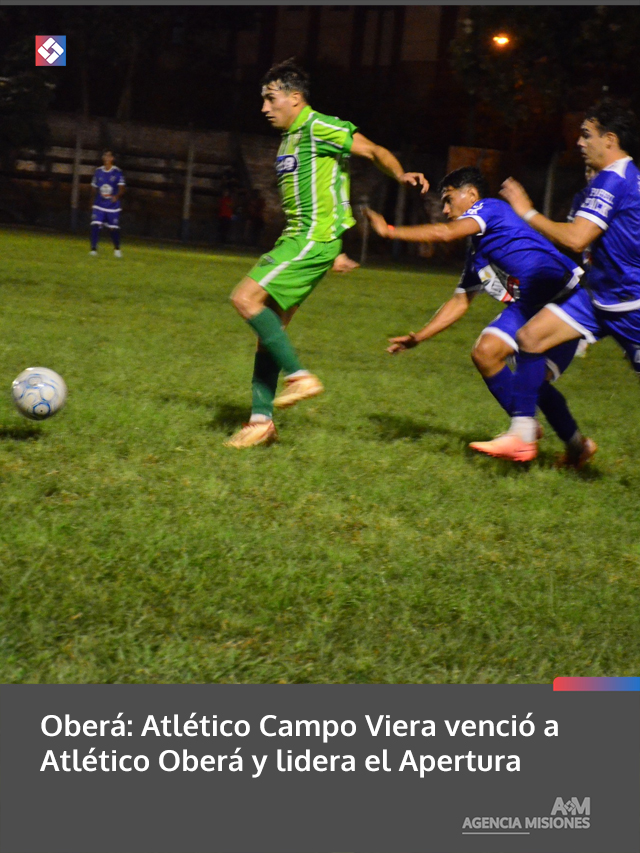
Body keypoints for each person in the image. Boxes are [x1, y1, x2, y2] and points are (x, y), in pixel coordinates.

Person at [225, 59, 428, 448]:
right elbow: (326, 190)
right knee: (270, 332)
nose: (264, 108)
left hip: (309, 239)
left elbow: (373, 150)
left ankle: (300, 376)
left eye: (271, 99)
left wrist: (400, 174)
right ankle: (260, 422)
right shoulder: (289, 138)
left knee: (244, 298)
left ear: (295, 98)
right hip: (305, 240)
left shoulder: (319, 126)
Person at [365, 166, 592, 465]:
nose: (446, 210)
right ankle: (569, 444)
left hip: (562, 296)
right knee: (507, 366)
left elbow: (443, 233)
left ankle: (526, 431)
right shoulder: (479, 252)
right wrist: (418, 337)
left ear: (471, 195)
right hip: (538, 302)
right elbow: (460, 302)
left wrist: (390, 231)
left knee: (498, 357)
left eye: (448, 200)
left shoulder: (490, 208)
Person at [474, 98, 640, 464]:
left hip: (631, 303)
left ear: (609, 139)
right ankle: (520, 437)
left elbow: (576, 238)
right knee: (530, 338)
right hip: (597, 295)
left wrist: (527, 211)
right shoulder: (610, 181)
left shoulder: (614, 179)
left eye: (586, 135)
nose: (579, 143)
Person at [89, 150, 125, 257]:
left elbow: (122, 188)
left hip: (112, 206)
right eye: (105, 155)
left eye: (108, 156)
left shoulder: (117, 172)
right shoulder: (98, 171)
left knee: (113, 228)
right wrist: (92, 202)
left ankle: (117, 249)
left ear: (112, 158)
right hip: (99, 204)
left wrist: (116, 196)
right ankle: (93, 249)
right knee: (95, 224)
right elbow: (93, 188)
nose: (106, 158)